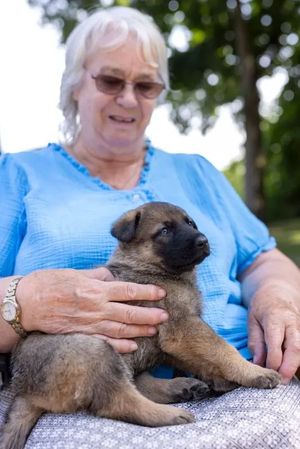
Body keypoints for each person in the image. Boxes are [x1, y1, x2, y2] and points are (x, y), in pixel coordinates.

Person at [0, 6, 299, 449]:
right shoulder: (15, 175)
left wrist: (278, 299)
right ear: (74, 84)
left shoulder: (196, 170)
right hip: (84, 399)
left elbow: (262, 258)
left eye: (145, 85)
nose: (128, 98)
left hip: (240, 380)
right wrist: (20, 302)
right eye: (110, 81)